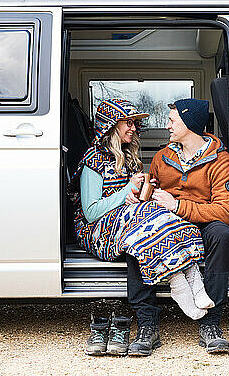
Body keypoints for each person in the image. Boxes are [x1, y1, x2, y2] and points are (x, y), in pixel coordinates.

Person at [70, 99, 215, 355]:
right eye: (129, 122)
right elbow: (91, 213)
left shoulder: (129, 158)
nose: (134, 129)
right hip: (96, 231)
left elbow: (134, 203)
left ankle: (186, 277)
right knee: (144, 223)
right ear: (111, 125)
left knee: (162, 211)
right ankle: (181, 281)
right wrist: (127, 192)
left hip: (127, 220)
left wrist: (146, 191)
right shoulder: (92, 160)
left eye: (135, 123)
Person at [125, 98, 229, 355]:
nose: (167, 126)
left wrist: (177, 206)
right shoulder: (163, 157)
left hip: (201, 219)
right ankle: (147, 325)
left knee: (223, 235)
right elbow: (150, 189)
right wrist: (136, 194)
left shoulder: (219, 159)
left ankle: (211, 324)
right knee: (137, 239)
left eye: (172, 120)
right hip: (166, 221)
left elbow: (223, 211)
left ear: (189, 124)